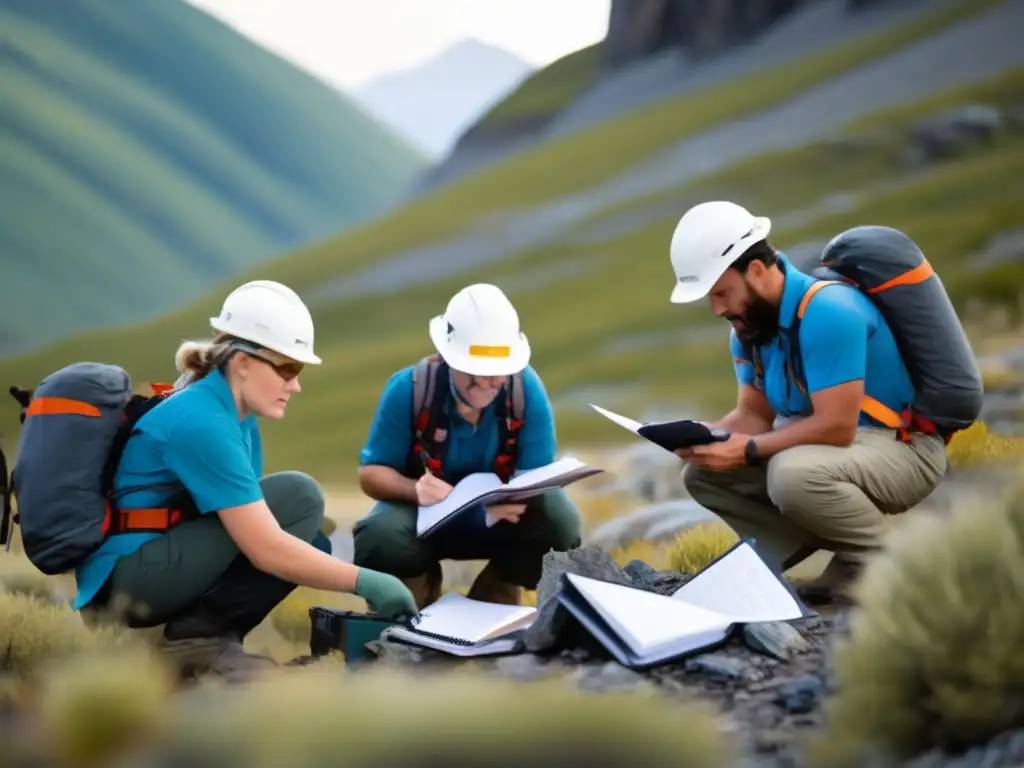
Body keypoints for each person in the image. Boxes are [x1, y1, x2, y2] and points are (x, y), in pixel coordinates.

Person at [75, 280, 418, 677]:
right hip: (125, 586)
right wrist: (371, 582)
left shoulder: (228, 413)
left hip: (147, 569)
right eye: (288, 368)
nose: (296, 384)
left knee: (312, 538)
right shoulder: (204, 421)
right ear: (242, 363)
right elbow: (265, 549)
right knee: (298, 498)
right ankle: (192, 645)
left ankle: (206, 640)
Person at [666, 201, 948, 604]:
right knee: (703, 476)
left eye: (722, 293)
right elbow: (753, 416)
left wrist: (745, 449)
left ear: (758, 271)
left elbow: (837, 427)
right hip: (837, 454)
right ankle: (832, 556)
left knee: (792, 474)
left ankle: (897, 565)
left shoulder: (829, 312)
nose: (717, 310)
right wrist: (703, 439)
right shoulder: (748, 329)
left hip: (905, 449)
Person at [352, 283, 583, 609]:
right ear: (448, 358)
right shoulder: (409, 389)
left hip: (502, 518)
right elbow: (371, 474)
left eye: (497, 373)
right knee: (380, 536)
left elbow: (539, 480)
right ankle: (409, 609)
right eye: (474, 371)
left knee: (560, 520)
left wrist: (494, 508)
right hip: (422, 516)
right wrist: (414, 490)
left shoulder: (526, 389)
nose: (487, 383)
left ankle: (497, 595)